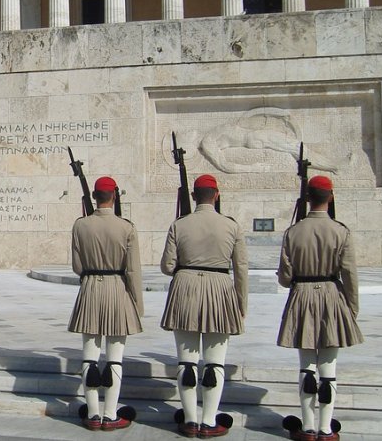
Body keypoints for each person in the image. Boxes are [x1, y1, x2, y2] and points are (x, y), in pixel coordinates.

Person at [160, 174, 248, 438]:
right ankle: (208, 422)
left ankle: (189, 420)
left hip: (185, 288)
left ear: (194, 196)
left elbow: (166, 266)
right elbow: (241, 269)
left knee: (186, 362)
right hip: (220, 289)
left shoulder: (180, 224)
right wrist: (240, 305)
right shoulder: (231, 226)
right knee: (214, 364)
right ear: (217, 195)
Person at [277, 175, 363, 441]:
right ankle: (326, 429)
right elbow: (349, 274)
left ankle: (308, 426)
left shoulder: (293, 232)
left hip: (302, 295)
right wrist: (352, 308)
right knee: (328, 368)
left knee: (306, 367)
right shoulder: (341, 231)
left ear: (307, 199)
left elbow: (284, 276)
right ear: (331, 197)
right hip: (331, 297)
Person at [68, 176, 143, 431]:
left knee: (89, 357)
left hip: (90, 288)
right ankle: (110, 415)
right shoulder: (126, 227)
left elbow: (77, 267)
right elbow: (133, 271)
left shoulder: (80, 226)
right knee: (115, 359)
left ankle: (92, 413)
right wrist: (137, 306)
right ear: (115, 196)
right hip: (117, 289)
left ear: (94, 198)